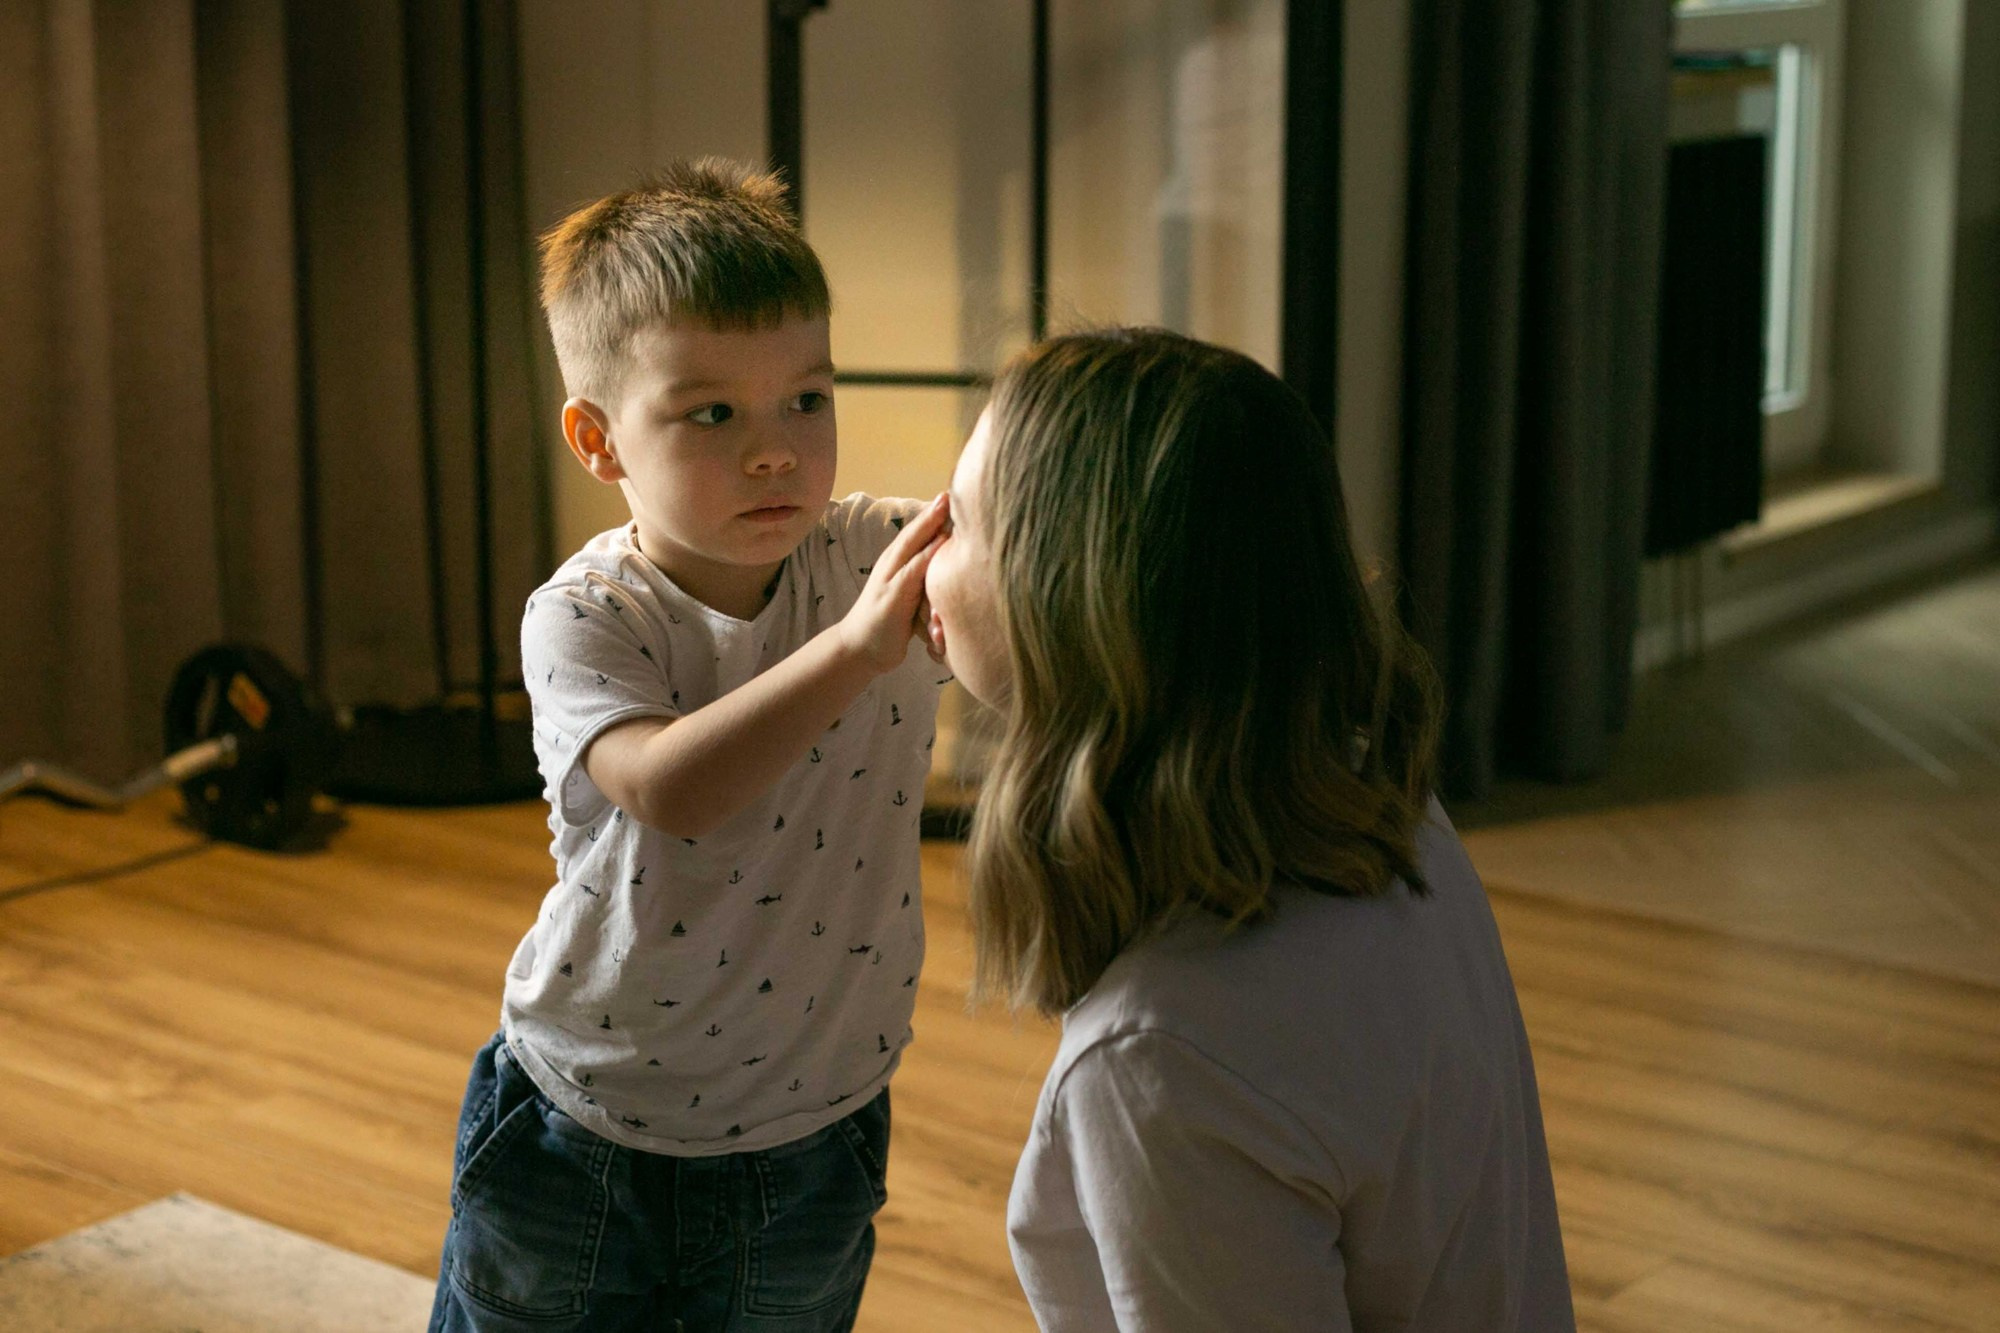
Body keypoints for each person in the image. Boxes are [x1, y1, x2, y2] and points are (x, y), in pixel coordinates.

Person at [923, 328, 1575, 1331]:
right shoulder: (1378, 809)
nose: (918, 540)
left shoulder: (1163, 1061)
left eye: (958, 519)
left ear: (1062, 604)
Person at [428, 158, 950, 1331]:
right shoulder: (586, 615)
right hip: (583, 1129)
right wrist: (860, 652)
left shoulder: (873, 558)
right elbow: (669, 786)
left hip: (815, 1127)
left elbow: (1034, 570)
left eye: (805, 400)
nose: (774, 450)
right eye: (712, 411)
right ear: (598, 439)